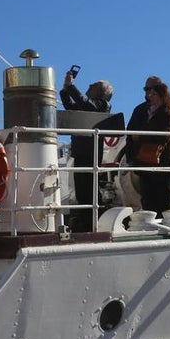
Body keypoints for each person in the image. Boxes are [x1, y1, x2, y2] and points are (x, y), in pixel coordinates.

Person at [59, 71, 114, 230]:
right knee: (82, 192)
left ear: (102, 92)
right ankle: (85, 223)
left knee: (90, 192)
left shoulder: (103, 105)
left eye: (94, 85)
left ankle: (92, 223)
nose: (89, 85)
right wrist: (65, 89)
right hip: (82, 153)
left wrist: (71, 86)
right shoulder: (89, 105)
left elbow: (85, 103)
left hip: (91, 154)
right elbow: (71, 107)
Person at [136, 83, 170, 217]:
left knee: (161, 196)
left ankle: (161, 223)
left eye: (154, 94)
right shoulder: (149, 112)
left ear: (162, 96)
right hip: (147, 160)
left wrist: (142, 136)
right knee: (148, 195)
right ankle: (150, 222)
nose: (150, 96)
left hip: (162, 161)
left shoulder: (169, 113)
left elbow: (165, 135)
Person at [125, 75, 162, 164]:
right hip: (139, 159)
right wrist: (130, 159)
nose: (150, 91)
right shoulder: (139, 110)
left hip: (161, 161)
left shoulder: (169, 109)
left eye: (153, 88)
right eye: (146, 89)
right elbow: (129, 134)